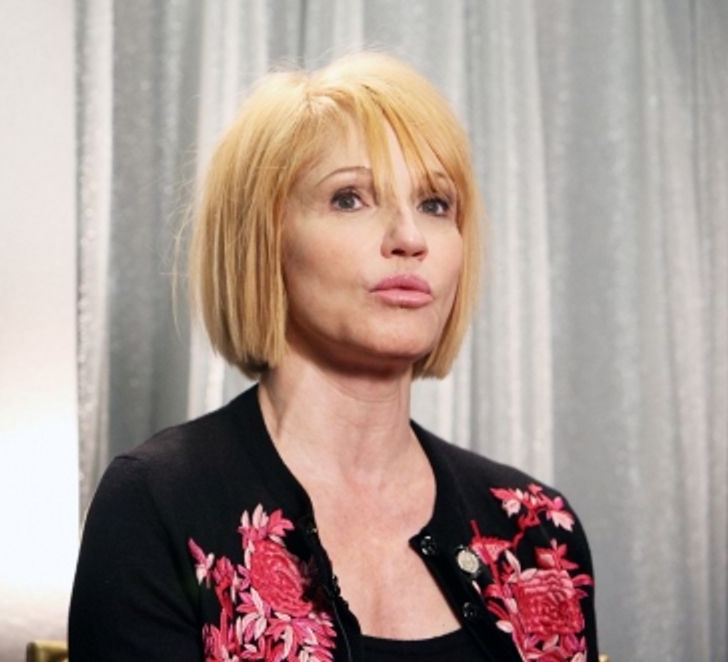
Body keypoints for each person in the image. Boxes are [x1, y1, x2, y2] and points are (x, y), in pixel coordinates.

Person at [68, 53, 597, 662]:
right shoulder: (158, 502)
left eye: (435, 204)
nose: (411, 238)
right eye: (350, 198)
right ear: (263, 240)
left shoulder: (538, 532)